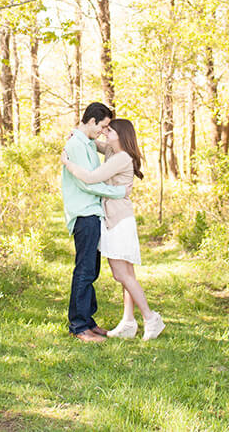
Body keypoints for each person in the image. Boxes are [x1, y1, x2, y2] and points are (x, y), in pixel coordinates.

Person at [61, 118, 165, 341]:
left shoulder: (121, 158)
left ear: (121, 135)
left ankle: (151, 317)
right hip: (117, 217)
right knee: (127, 274)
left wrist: (67, 163)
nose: (104, 133)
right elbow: (92, 143)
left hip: (118, 220)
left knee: (121, 274)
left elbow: (90, 177)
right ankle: (129, 322)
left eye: (109, 130)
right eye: (103, 128)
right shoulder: (111, 150)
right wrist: (78, 135)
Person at [60, 102, 127, 343]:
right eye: (103, 126)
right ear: (91, 121)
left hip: (93, 213)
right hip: (84, 214)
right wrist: (119, 192)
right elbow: (86, 182)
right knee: (85, 271)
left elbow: (106, 148)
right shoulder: (75, 145)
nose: (103, 131)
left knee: (92, 270)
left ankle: (87, 320)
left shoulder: (85, 141)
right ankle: (78, 327)